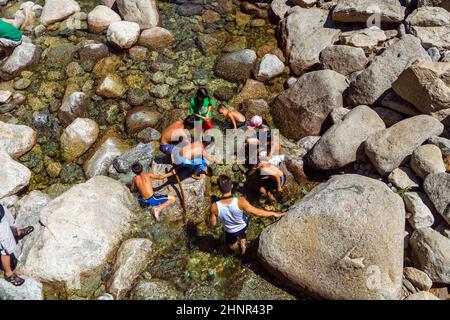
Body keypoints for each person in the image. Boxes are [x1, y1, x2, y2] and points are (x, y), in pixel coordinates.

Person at [209, 175, 285, 254]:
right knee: (242, 234)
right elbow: (258, 212)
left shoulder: (214, 206)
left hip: (230, 231)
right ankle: (244, 247)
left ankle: (237, 252)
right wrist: (274, 213)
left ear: (219, 189)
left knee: (231, 244)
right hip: (243, 226)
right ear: (232, 186)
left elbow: (213, 224)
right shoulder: (241, 201)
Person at [0, 204, 34, 286]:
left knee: (10, 221)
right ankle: (8, 274)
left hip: (1, 211)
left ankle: (17, 233)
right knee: (5, 249)